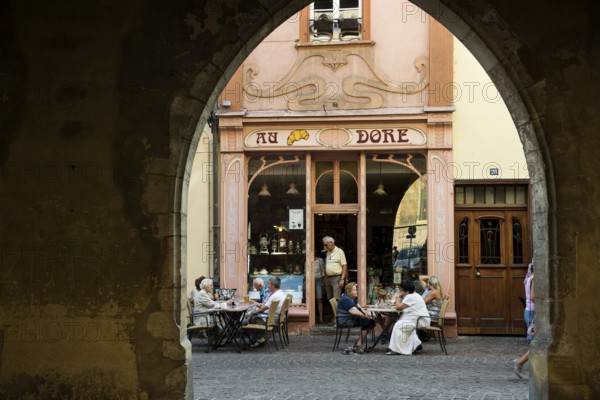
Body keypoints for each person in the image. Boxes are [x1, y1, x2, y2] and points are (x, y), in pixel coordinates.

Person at [386, 280, 430, 355]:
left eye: (401, 290)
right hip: (420, 318)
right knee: (400, 322)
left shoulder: (410, 297)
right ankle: (416, 344)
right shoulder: (415, 295)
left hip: (421, 321)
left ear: (404, 290)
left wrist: (398, 297)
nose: (401, 291)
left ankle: (397, 349)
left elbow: (398, 308)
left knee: (398, 325)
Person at [337, 282, 376, 355]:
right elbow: (355, 312)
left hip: (350, 318)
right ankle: (359, 345)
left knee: (369, 321)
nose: (357, 291)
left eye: (357, 290)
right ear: (348, 291)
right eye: (355, 290)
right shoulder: (346, 299)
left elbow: (360, 308)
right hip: (345, 321)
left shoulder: (352, 298)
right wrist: (367, 316)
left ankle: (359, 344)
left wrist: (367, 313)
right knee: (368, 321)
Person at [247, 277, 286, 347]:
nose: (267, 286)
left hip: (271, 319)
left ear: (273, 285)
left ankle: (259, 339)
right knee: (252, 317)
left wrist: (252, 313)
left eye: (268, 284)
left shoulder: (274, 296)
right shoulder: (281, 293)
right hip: (277, 318)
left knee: (250, 319)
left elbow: (262, 309)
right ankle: (263, 337)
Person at [322, 236, 348, 300]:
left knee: (336, 299)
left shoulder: (340, 251)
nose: (325, 247)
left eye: (325, 245)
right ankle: (332, 310)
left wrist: (342, 279)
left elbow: (344, 265)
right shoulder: (328, 252)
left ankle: (336, 310)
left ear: (331, 243)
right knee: (330, 299)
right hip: (328, 278)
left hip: (337, 278)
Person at [314, 256, 325, 324]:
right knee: (311, 300)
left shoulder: (320, 260)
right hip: (310, 281)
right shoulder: (307, 259)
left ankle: (321, 318)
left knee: (319, 299)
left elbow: (323, 270)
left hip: (318, 280)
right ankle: (312, 317)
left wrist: (323, 281)